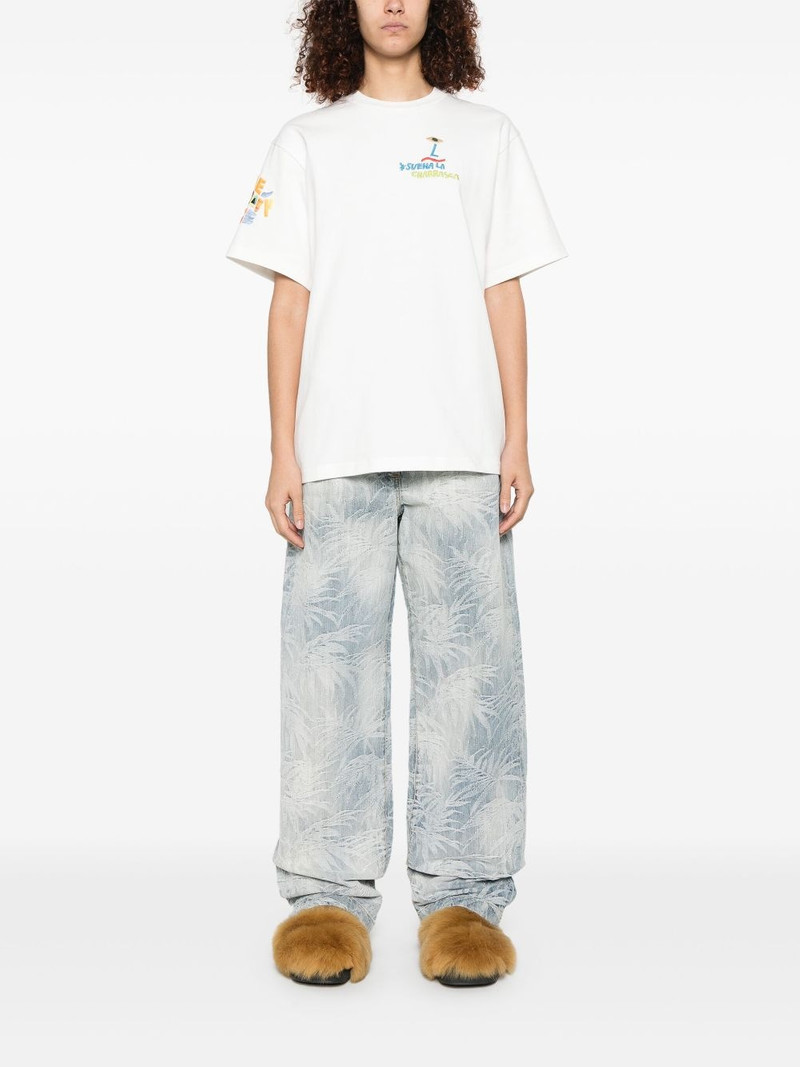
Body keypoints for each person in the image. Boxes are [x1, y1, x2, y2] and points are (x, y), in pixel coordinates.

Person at [225, 0, 567, 987]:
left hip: (462, 450)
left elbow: (504, 290)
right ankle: (326, 896)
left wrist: (518, 435)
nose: (391, 2)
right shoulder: (306, 143)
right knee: (327, 679)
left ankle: (463, 897)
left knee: (473, 679)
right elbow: (287, 303)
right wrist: (281, 450)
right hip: (334, 454)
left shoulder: (484, 136)